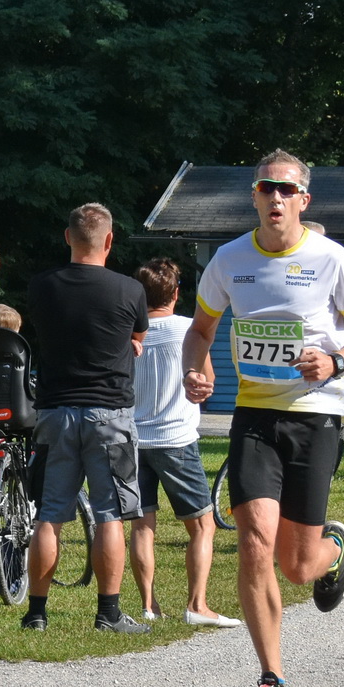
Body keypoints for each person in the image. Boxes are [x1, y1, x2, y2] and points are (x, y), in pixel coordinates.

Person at [182, 151, 344, 687]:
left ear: (303, 200)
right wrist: (196, 369)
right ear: (254, 196)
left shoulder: (329, 258)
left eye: (286, 189)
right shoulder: (229, 259)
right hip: (254, 415)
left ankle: (332, 549)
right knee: (253, 542)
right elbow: (201, 330)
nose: (276, 197)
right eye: (267, 188)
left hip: (316, 414)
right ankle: (271, 677)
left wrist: (337, 361)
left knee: (298, 566)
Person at [22, 203, 150, 634]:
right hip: (110, 414)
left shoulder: (42, 286)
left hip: (54, 411)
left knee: (49, 514)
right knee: (109, 513)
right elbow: (137, 336)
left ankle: (36, 613)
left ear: (67, 237)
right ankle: (108, 613)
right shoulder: (129, 289)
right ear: (109, 240)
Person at [128, 258, 238, 629]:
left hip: (133, 439)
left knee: (142, 526)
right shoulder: (188, 330)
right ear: (176, 294)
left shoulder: (127, 333)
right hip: (176, 439)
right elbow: (207, 380)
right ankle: (196, 604)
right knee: (202, 526)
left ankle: (149, 606)